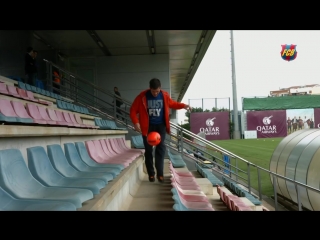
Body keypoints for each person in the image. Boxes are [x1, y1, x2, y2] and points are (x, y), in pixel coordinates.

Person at [130, 78, 192, 183]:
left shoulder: (164, 95)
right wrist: (136, 122)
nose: (155, 93)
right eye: (153, 91)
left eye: (157, 91)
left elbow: (173, 104)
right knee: (149, 150)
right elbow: (132, 110)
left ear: (160, 88)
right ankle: (151, 174)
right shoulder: (142, 97)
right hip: (148, 127)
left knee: (161, 148)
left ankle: (160, 174)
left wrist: (184, 105)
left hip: (160, 126)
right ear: (150, 89)